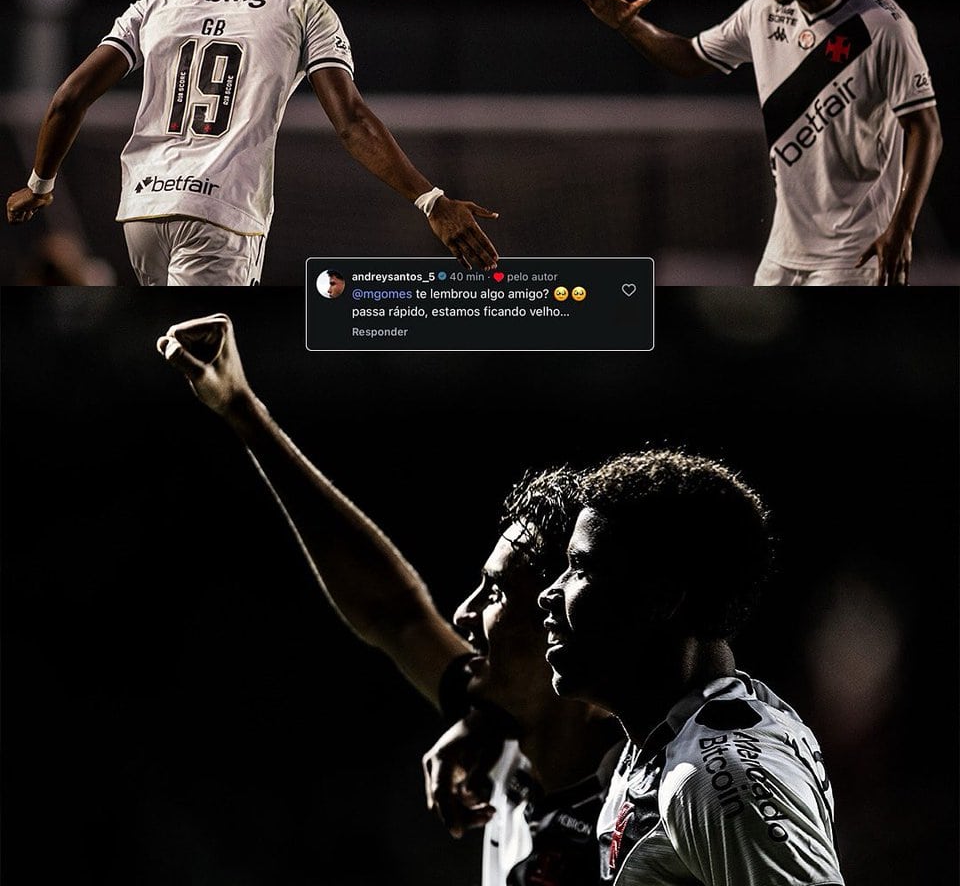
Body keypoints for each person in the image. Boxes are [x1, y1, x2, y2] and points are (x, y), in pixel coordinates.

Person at [156, 311, 624, 885]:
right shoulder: (506, 729)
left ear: (564, 621)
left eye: (499, 592)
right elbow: (394, 614)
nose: (464, 613)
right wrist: (244, 411)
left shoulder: (660, 812)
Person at [6, 0, 498, 284]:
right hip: (220, 214)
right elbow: (351, 122)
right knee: (210, 355)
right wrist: (431, 200)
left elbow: (69, 97)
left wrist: (40, 183)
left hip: (141, 211)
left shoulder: (158, 3)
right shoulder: (304, 7)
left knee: (186, 350)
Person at [575, 0, 942, 286]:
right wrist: (628, 26)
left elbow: (926, 129)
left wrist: (901, 228)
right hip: (782, 251)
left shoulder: (882, 26)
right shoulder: (762, 11)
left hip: (854, 254)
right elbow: (688, 57)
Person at [538, 449, 845, 885]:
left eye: (581, 567)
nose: (549, 594)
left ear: (661, 599)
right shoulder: (669, 737)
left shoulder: (716, 777)